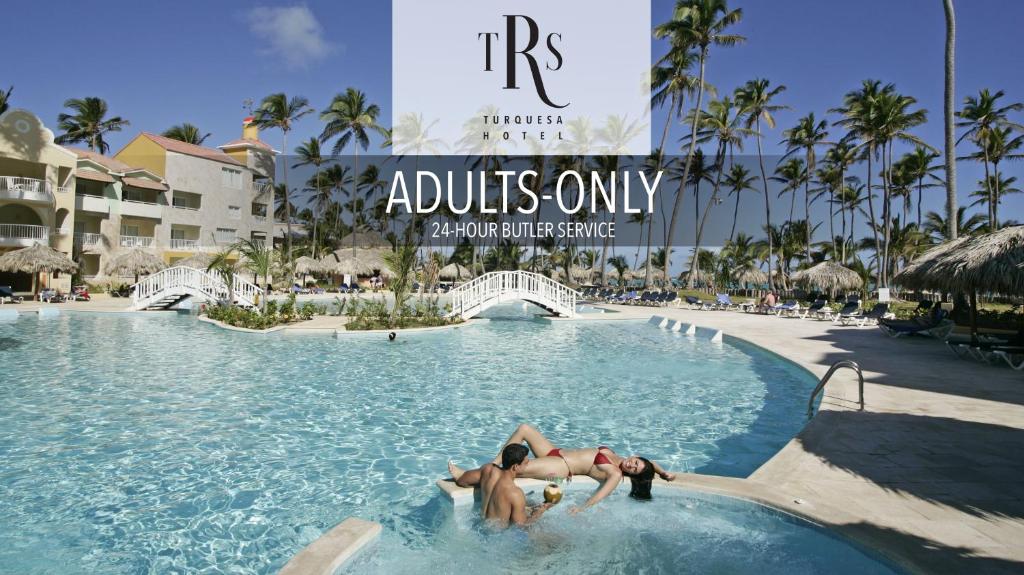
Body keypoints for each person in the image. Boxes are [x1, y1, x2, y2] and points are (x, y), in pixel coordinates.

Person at [448, 424, 675, 513]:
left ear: (630, 474)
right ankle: (495, 461)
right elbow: (649, 463)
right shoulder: (618, 456)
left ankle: (463, 477)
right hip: (555, 452)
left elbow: (601, 494)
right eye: (635, 461)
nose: (632, 465)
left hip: (560, 466)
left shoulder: (615, 473)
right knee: (524, 429)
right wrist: (662, 472)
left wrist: (582, 508)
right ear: (635, 456)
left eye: (634, 469)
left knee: (509, 470)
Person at [476, 444, 553, 528]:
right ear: (515, 466)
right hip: (499, 537)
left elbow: (463, 482)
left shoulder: (488, 471)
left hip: (481, 526)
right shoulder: (515, 493)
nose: (527, 466)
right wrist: (539, 512)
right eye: (526, 463)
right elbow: (522, 527)